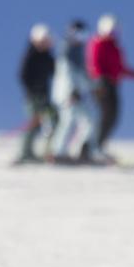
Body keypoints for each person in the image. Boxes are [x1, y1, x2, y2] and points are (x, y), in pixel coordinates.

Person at [86, 14, 134, 160]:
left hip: (113, 84)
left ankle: (99, 145)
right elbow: (94, 64)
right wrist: (100, 80)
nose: (113, 35)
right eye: (111, 31)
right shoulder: (97, 43)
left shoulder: (115, 47)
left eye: (115, 32)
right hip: (101, 85)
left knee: (113, 116)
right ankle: (90, 147)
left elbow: (121, 69)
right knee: (104, 115)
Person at [51, 19, 100, 163]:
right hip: (68, 94)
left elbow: (83, 74)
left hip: (79, 94)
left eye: (84, 33)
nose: (82, 37)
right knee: (68, 120)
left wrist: (93, 87)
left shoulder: (79, 50)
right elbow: (66, 73)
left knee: (90, 120)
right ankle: (58, 152)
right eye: (79, 33)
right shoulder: (66, 48)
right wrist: (71, 91)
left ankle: (82, 150)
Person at [16, 24, 57, 164]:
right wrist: (32, 91)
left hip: (44, 97)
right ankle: (24, 153)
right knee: (34, 123)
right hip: (33, 98)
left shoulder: (47, 56)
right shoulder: (30, 55)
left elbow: (57, 71)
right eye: (42, 40)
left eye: (46, 40)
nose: (45, 43)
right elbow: (22, 76)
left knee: (53, 120)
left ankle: (48, 151)